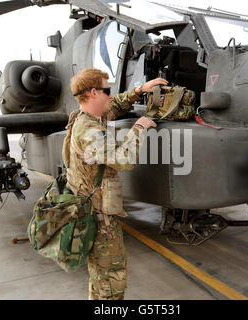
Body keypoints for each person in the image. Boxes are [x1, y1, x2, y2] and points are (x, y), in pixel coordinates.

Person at [62, 68, 168, 300]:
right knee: (110, 281)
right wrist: (139, 128)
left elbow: (116, 105)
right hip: (99, 219)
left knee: (100, 279)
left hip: (96, 213)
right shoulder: (89, 130)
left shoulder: (88, 117)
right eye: (107, 90)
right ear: (92, 93)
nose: (111, 95)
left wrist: (140, 90)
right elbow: (124, 159)